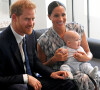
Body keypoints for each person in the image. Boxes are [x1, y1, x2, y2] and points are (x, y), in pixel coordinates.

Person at [0, 0, 79, 90]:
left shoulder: (31, 34)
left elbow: (35, 62)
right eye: (27, 19)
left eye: (33, 19)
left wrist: (51, 73)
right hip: (15, 85)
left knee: (67, 83)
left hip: (33, 81)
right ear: (14, 17)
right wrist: (26, 78)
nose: (31, 23)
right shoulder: (2, 42)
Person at [37, 1, 96, 89]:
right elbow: (40, 68)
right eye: (56, 15)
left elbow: (88, 52)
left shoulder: (77, 28)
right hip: (63, 75)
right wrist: (54, 59)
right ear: (49, 16)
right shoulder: (43, 40)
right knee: (83, 79)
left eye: (63, 15)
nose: (61, 19)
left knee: (91, 76)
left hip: (81, 67)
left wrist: (86, 58)